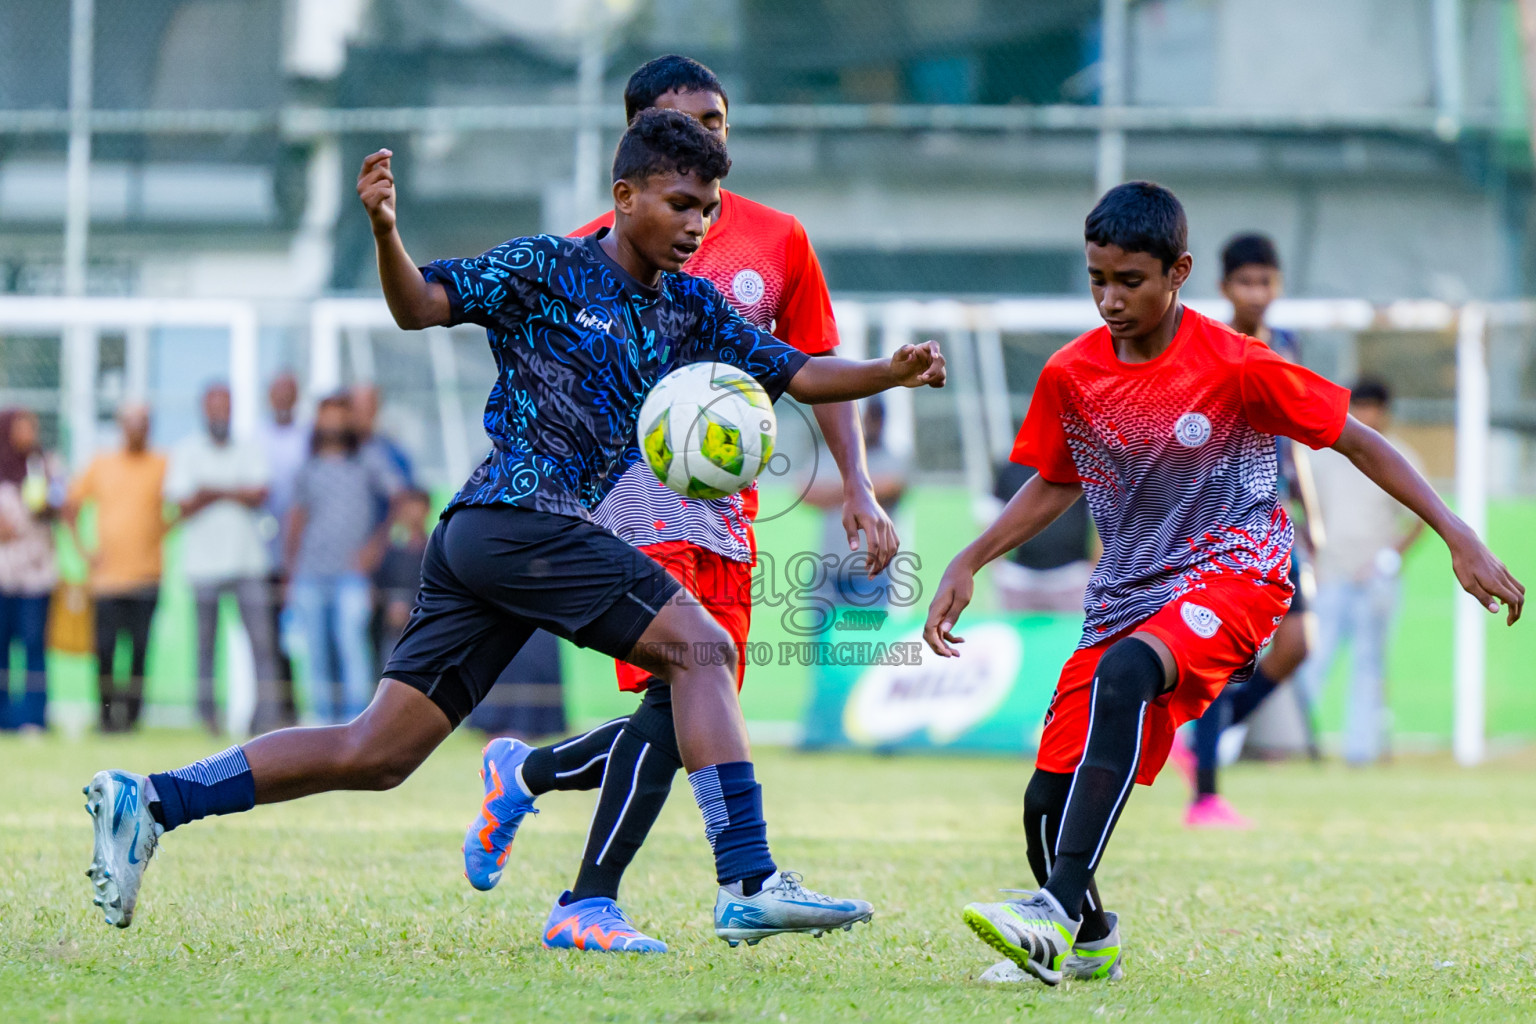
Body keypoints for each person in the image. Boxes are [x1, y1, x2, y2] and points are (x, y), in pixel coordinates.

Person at [81, 109, 945, 939]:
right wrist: (386, 231)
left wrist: (887, 372)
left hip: (495, 544)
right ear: (626, 195)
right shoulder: (547, 267)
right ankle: (748, 879)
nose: (697, 225)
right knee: (703, 649)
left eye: (709, 211)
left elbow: (798, 372)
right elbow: (420, 305)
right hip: (516, 521)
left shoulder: (688, 308)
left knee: (376, 753)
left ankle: (152, 799)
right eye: (681, 204)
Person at [922, 181, 1522, 986]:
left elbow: (1358, 442)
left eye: (1128, 281)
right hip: (1130, 593)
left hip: (1238, 570)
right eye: (1096, 278)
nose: (1108, 299)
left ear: (1179, 272)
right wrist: (970, 557)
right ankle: (1091, 934)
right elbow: (1057, 482)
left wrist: (1457, 533)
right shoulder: (1072, 374)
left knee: (1129, 672)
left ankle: (1055, 909)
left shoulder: (1239, 364)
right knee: (1042, 810)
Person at [461, 55, 900, 954]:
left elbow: (815, 363)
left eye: (720, 120)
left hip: (724, 510)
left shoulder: (780, 239)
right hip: (628, 500)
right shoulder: (597, 245)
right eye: (688, 119)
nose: (708, 135)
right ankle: (601, 895)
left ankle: (528, 776)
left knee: (688, 702)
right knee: (683, 680)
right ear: (637, 143)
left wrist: (856, 484)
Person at [1172, 232, 1323, 828]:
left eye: (1266, 282)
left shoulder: (1285, 345)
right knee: (1221, 655)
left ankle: (1210, 732)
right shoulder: (1212, 347)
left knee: (1298, 643)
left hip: (1278, 517)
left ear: (1278, 285)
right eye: (1246, 282)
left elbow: (1298, 432)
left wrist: (1314, 513)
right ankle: (1206, 796)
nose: (1257, 293)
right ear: (1225, 287)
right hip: (1227, 520)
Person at [1297, 379, 1424, 764]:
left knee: (1369, 666)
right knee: (1311, 659)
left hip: (1375, 579)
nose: (1366, 415)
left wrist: (1390, 558)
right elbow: (1302, 508)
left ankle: (1361, 752)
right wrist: (1312, 558)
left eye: (1373, 407)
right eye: (1361, 407)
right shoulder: (1325, 455)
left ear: (1385, 412)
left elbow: (1419, 517)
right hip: (1330, 575)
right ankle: (1292, 742)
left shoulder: (1400, 457)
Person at [166, 383, 283, 735]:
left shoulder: (249, 447)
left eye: (226, 407)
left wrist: (209, 491)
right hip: (203, 565)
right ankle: (207, 720)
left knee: (262, 644)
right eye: (214, 407)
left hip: (248, 562)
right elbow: (182, 504)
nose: (220, 414)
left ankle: (266, 719)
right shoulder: (186, 450)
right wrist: (233, 491)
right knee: (205, 648)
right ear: (204, 409)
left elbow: (260, 493)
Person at [285, 393, 398, 724]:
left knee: (352, 649)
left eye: (339, 416)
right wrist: (291, 573)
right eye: (326, 416)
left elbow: (398, 498)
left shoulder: (368, 460)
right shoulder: (308, 466)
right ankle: (320, 724)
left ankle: (357, 723)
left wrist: (375, 548)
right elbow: (295, 519)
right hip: (310, 572)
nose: (333, 424)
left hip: (352, 574)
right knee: (316, 653)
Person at [66, 405, 168, 733]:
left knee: (139, 651)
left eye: (144, 423)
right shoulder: (102, 464)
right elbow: (70, 506)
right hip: (106, 580)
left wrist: (161, 529)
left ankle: (133, 718)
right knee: (106, 651)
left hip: (147, 576)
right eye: (132, 423)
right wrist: (84, 550)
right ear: (122, 426)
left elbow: (181, 503)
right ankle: (107, 718)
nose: (137, 429)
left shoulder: (162, 464)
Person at [0, 410, 64, 732]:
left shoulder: (45, 464)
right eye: (21, 427)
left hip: (37, 576)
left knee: (34, 647)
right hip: (3, 575)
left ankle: (33, 718)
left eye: (32, 427)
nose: (28, 433)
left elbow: (62, 501)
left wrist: (48, 503)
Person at [259, 371, 307, 726]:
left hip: (307, 555)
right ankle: (278, 709)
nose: (282, 400)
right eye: (277, 393)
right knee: (271, 638)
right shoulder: (255, 438)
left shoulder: (308, 439)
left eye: (288, 393)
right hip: (265, 555)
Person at [989, 462, 1095, 614]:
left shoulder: (1082, 470)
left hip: (1072, 577)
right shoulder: (1010, 471)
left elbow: (1099, 520)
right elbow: (991, 517)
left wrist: (1095, 570)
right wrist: (998, 567)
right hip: (1019, 578)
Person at [371, 486, 431, 667]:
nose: (412, 514)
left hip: (426, 630)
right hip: (392, 631)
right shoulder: (388, 551)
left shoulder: (434, 550)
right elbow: (376, 587)